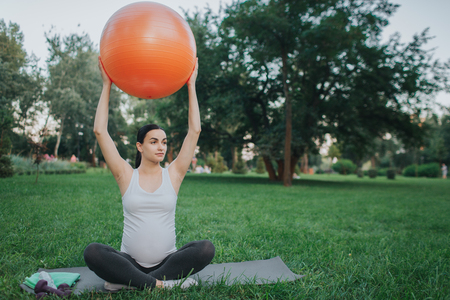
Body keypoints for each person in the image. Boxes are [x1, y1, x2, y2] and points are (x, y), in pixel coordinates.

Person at [83, 57, 215, 291]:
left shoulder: (173, 175)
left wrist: (191, 85)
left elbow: (195, 130)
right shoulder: (126, 175)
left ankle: (131, 283)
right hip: (129, 262)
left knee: (206, 248)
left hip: (167, 262)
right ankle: (162, 285)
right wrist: (106, 85)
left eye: (163, 142)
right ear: (140, 146)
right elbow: (100, 131)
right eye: (153, 142)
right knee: (93, 251)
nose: (161, 147)